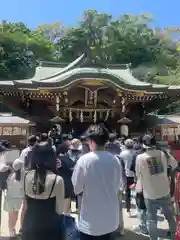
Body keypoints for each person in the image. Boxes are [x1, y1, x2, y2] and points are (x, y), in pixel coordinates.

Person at [72, 124, 123, 240]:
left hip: (89, 220)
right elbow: (118, 185)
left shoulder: (83, 161)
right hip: (111, 219)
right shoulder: (115, 160)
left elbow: (77, 188)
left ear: (91, 142)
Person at [136, 134, 177, 240]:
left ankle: (153, 238)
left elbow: (138, 174)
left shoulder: (140, 157)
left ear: (144, 144)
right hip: (164, 190)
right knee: (170, 217)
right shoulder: (164, 154)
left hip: (150, 194)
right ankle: (173, 235)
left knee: (152, 220)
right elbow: (175, 164)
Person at [21, 141, 65, 240]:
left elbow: (25, 206)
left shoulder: (26, 176)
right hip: (50, 226)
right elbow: (59, 209)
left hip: (29, 223)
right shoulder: (57, 180)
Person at [3, 158, 24, 238]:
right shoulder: (22, 177)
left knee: (10, 216)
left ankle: (11, 232)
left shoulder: (10, 175)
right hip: (18, 199)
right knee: (15, 215)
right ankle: (13, 230)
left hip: (9, 198)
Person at [56, 143, 76, 216]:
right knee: (67, 205)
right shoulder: (68, 159)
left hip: (56, 183)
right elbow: (74, 169)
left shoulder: (54, 159)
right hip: (67, 183)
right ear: (66, 151)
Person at [119, 138, 135, 217]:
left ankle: (128, 210)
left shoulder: (122, 154)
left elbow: (121, 165)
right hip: (135, 175)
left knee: (127, 193)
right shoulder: (136, 153)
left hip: (126, 174)